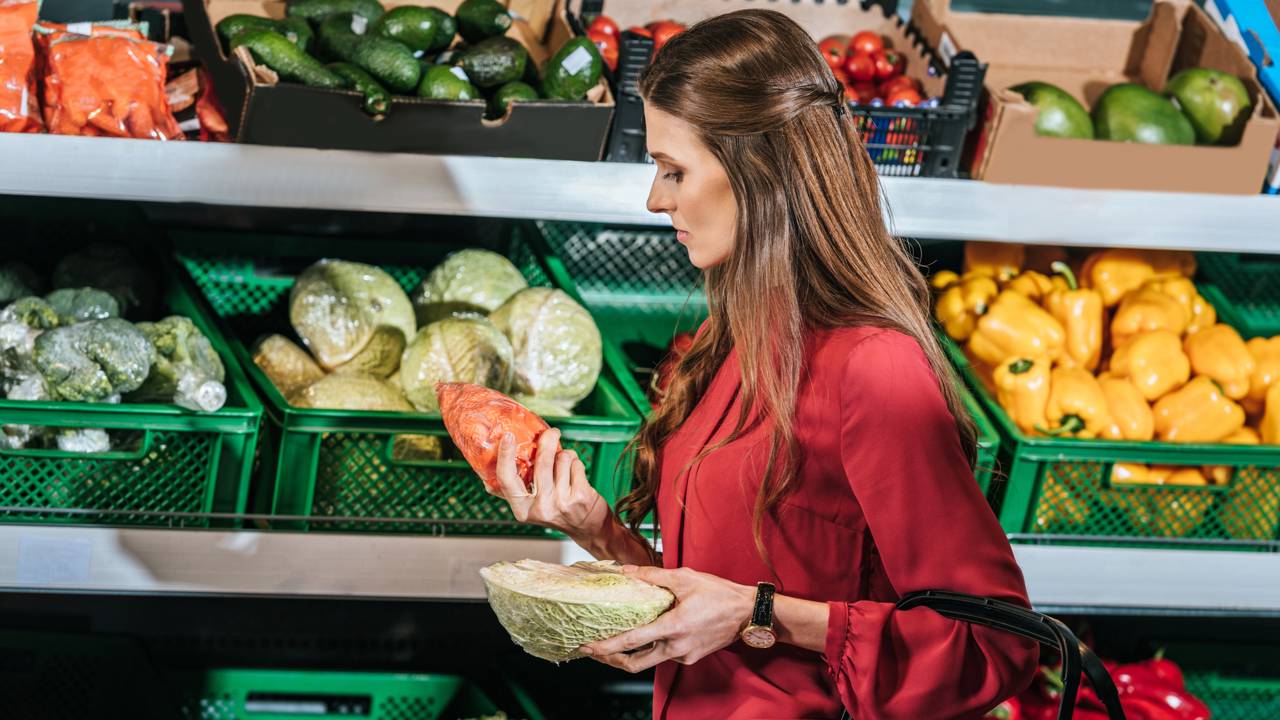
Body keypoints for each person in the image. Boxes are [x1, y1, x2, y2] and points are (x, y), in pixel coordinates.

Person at [487, 9, 1038, 719]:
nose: (656, 198)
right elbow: (707, 610)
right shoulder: (736, 337)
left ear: (760, 171)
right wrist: (597, 530)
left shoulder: (875, 370)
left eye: (675, 170)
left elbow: (994, 647)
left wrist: (766, 611)